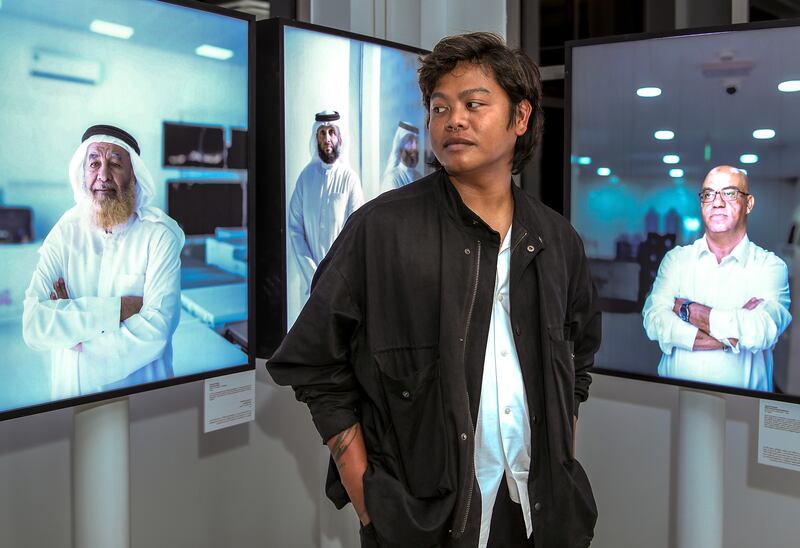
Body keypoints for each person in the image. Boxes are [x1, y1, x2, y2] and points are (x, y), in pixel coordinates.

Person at [268, 33, 600, 547]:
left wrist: (557, 450)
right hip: (424, 524)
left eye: (473, 104)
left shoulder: (556, 240)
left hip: (538, 511)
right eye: (440, 107)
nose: (453, 120)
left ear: (520, 118)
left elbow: (577, 360)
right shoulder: (380, 229)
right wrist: (368, 498)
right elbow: (312, 361)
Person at [22, 125, 184, 399]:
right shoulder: (64, 233)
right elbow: (34, 325)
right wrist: (119, 309)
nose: (103, 175)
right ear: (83, 173)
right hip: (69, 397)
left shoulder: (159, 235)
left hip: (139, 400)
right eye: (94, 163)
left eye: (115, 164)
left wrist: (71, 327)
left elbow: (156, 331)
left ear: (134, 176)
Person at [642, 165, 791, 391]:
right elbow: (653, 320)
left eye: (729, 193)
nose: (717, 202)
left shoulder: (770, 267)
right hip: (675, 401)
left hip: (743, 409)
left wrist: (688, 310)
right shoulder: (676, 260)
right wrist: (732, 336)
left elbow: (762, 330)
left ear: (749, 203)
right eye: (709, 194)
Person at [288, 111, 365, 294]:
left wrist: (332, 278)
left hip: (340, 285)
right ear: (316, 137)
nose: (327, 138)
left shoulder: (349, 179)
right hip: (310, 286)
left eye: (331, 132)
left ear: (339, 136)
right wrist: (313, 275)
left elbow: (355, 233)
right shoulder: (305, 178)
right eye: (322, 132)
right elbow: (294, 229)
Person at [381, 121, 422, 192]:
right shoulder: (392, 179)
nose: (414, 147)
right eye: (410, 141)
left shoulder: (419, 176)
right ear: (400, 147)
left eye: (416, 142)